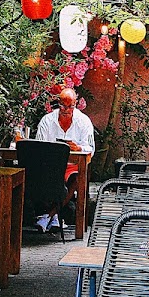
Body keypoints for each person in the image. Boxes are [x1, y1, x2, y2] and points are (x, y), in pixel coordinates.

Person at [31, 88, 95, 232]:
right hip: (50, 165)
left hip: (73, 166)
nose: (66, 110)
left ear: (75, 104)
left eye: (70, 106)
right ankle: (54, 217)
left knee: (78, 178)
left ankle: (48, 216)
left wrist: (78, 148)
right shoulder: (47, 121)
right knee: (39, 173)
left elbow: (91, 149)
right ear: (58, 103)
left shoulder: (83, 122)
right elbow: (39, 146)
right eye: (63, 106)